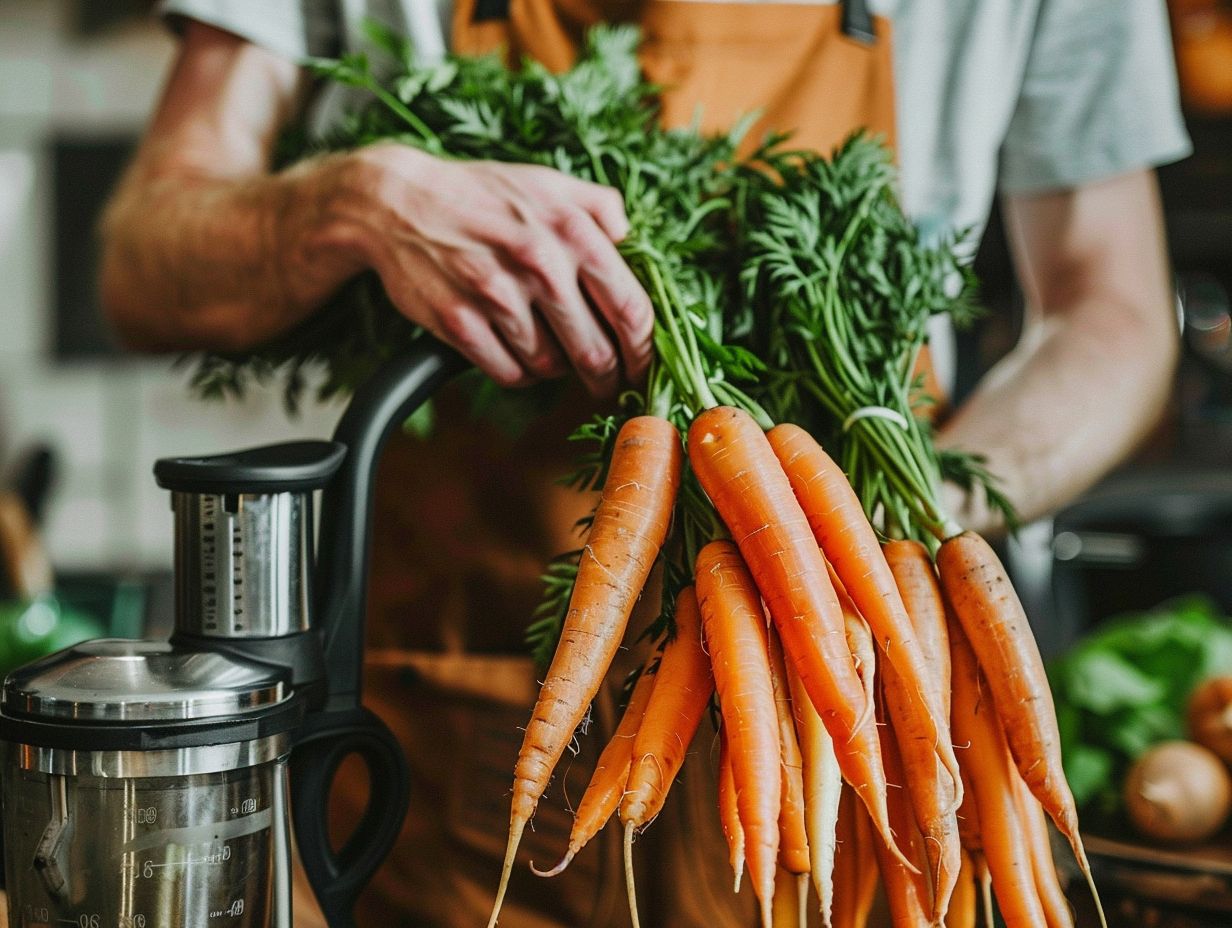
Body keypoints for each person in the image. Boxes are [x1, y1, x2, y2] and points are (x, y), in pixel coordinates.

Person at [99, 1, 1190, 925]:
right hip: (460, 751)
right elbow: (147, 253)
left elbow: (1114, 306)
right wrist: (346, 203)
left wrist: (892, 519)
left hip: (851, 733)